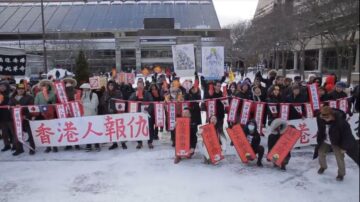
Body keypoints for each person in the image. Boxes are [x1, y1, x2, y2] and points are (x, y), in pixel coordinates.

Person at [314, 106, 359, 181]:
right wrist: (319, 138)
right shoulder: (320, 118)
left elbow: (347, 136)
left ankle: (341, 174)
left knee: (339, 157)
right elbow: (320, 128)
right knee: (320, 152)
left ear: (331, 116)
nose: (325, 120)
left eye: (326, 118)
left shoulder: (341, 122)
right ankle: (323, 167)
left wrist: (344, 147)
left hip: (337, 142)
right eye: (323, 118)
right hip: (326, 140)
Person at [9, 84, 35, 155]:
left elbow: (31, 108)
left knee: (30, 134)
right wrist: (14, 113)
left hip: (26, 118)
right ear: (16, 89)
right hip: (16, 119)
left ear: (24, 90)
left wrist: (26, 115)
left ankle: (32, 148)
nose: (20, 90)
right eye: (19, 89)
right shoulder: (12, 97)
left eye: (22, 89)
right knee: (17, 134)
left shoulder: (29, 97)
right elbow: (9, 108)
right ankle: (19, 149)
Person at [129, 79, 155, 149]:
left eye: (141, 85)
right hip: (138, 114)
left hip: (147, 113)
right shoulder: (134, 93)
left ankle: (150, 142)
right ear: (137, 86)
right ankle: (139, 142)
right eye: (138, 85)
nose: (140, 86)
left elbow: (152, 102)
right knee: (138, 128)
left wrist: (148, 110)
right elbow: (130, 101)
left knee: (149, 127)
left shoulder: (147, 93)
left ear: (144, 86)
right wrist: (136, 95)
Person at [34, 79, 57, 153]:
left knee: (52, 130)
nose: (45, 87)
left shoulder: (52, 94)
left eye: (47, 86)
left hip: (51, 114)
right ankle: (48, 146)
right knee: (45, 131)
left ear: (49, 86)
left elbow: (54, 103)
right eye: (43, 86)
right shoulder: (38, 94)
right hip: (42, 114)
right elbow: (36, 104)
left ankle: (55, 146)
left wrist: (50, 103)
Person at [102, 80, 125, 150]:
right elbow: (102, 102)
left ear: (114, 86)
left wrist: (115, 102)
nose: (110, 86)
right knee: (112, 129)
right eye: (109, 85)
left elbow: (121, 101)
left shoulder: (118, 92)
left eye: (112, 85)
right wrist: (105, 100)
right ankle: (114, 143)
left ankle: (123, 142)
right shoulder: (106, 93)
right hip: (109, 113)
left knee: (120, 128)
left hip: (117, 113)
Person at [80, 83, 100, 152]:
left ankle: (96, 144)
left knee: (94, 131)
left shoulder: (94, 95)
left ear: (88, 89)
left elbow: (93, 105)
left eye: (84, 89)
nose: (83, 90)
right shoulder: (83, 96)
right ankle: (88, 145)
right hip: (85, 117)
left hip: (93, 116)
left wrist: (83, 104)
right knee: (87, 131)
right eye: (83, 89)